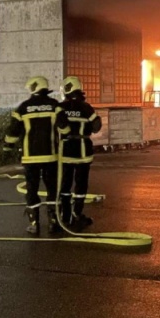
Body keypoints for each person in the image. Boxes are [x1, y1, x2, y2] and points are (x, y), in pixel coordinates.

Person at [5, 76, 69, 236]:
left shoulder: (23, 108)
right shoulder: (55, 106)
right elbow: (65, 128)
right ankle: (54, 222)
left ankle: (34, 224)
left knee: (31, 189)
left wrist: (7, 148)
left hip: (30, 158)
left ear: (32, 89)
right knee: (52, 189)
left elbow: (13, 132)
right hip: (51, 157)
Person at [58, 76, 102, 229]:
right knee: (81, 184)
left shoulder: (60, 107)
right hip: (83, 150)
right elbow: (96, 127)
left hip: (66, 150)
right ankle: (77, 214)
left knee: (65, 184)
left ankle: (65, 215)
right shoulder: (86, 107)